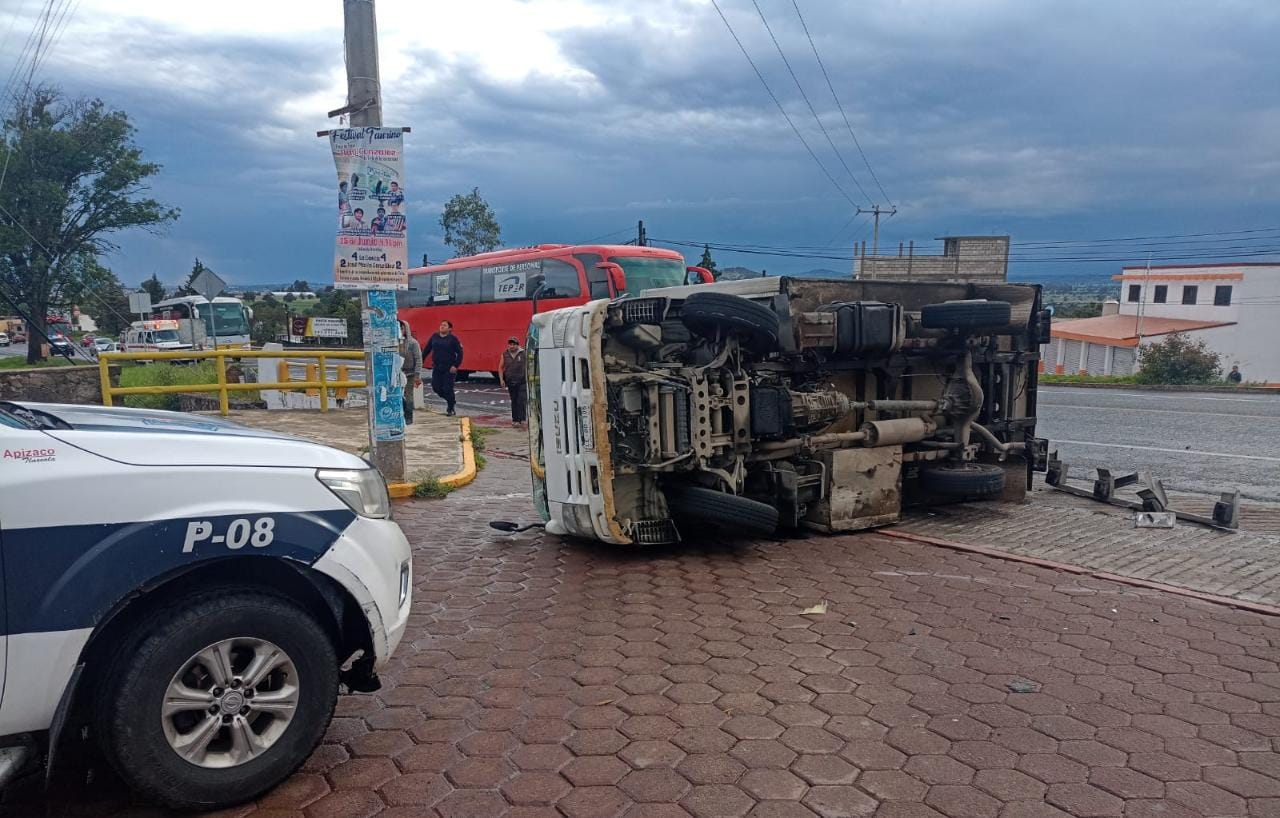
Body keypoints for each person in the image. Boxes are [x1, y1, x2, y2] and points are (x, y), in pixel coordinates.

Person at [423, 319, 463, 416]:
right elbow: (427, 349)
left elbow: (460, 353)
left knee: (447, 388)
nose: (442, 326)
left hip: (449, 368)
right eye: (441, 325)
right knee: (436, 387)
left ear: (450, 329)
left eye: (444, 325)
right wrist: (421, 360)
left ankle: (450, 408)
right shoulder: (434, 337)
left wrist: (456, 365)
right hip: (437, 367)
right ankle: (451, 400)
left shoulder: (453, 339)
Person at [499, 335, 527, 428]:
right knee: (514, 401)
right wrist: (501, 379)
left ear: (517, 345)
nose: (511, 346)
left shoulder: (523, 353)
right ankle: (515, 420)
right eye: (510, 344)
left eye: (513, 344)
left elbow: (529, 365)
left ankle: (523, 419)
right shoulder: (505, 354)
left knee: (521, 400)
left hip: (522, 381)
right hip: (510, 381)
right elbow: (500, 367)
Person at [399, 320, 423, 424]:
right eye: (398, 328)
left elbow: (418, 359)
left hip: (410, 374)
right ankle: (402, 414)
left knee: (408, 396)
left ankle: (409, 417)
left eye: (402, 328)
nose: (400, 330)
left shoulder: (413, 343)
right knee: (398, 395)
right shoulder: (394, 342)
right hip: (397, 374)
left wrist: (417, 375)